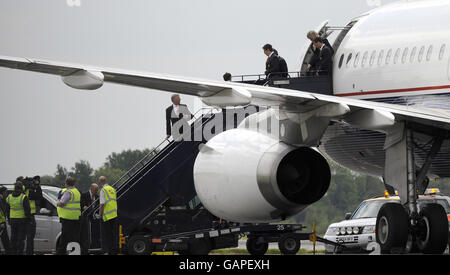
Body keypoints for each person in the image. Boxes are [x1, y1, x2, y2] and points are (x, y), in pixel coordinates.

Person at [56, 177, 81, 255]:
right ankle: (74, 252)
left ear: (66, 184)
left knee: (64, 237)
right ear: (74, 183)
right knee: (73, 237)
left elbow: (61, 203)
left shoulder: (68, 192)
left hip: (67, 218)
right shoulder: (77, 191)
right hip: (75, 217)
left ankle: (60, 253)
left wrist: (58, 201)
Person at [5, 182, 31, 255]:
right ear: (22, 188)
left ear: (14, 188)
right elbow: (27, 210)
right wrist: (29, 219)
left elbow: (7, 210)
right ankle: (19, 253)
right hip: (22, 220)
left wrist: (9, 220)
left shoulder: (9, 197)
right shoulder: (23, 197)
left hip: (12, 220)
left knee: (13, 237)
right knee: (21, 238)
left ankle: (13, 252)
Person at [98, 176, 118, 255]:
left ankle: (109, 251)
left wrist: (100, 215)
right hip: (114, 214)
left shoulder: (103, 190)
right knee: (113, 234)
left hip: (107, 216)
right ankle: (114, 251)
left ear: (100, 182)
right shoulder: (112, 189)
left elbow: (102, 204)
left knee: (107, 235)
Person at [24, 175, 43, 255]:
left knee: (19, 238)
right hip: (29, 217)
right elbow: (39, 196)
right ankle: (29, 253)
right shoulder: (30, 191)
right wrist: (38, 186)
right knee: (30, 237)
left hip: (20, 217)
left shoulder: (23, 191)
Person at [80, 183, 99, 255]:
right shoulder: (84, 194)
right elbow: (81, 204)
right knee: (86, 234)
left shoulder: (97, 196)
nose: (96, 191)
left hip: (94, 218)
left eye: (97, 190)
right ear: (91, 188)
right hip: (86, 217)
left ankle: (94, 247)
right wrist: (84, 207)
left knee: (94, 233)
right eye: (95, 190)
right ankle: (86, 248)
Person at [0, 186, 11, 255]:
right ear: (3, 192)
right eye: (6, 192)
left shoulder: (2, 199)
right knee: (5, 241)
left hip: (2, 222)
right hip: (1, 223)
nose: (7, 194)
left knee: (6, 240)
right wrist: (1, 222)